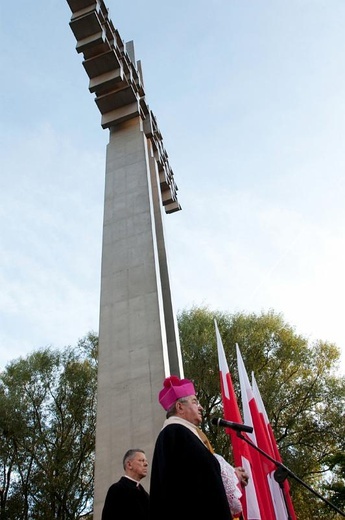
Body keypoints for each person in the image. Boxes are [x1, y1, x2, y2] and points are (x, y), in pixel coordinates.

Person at [149, 375, 232, 520]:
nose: (200, 407)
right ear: (180, 407)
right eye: (195, 402)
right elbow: (197, 483)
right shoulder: (175, 433)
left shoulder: (184, 434)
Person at [101, 448, 149, 520]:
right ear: (129, 465)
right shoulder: (117, 489)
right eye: (141, 460)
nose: (146, 464)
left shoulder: (145, 495)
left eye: (145, 461)